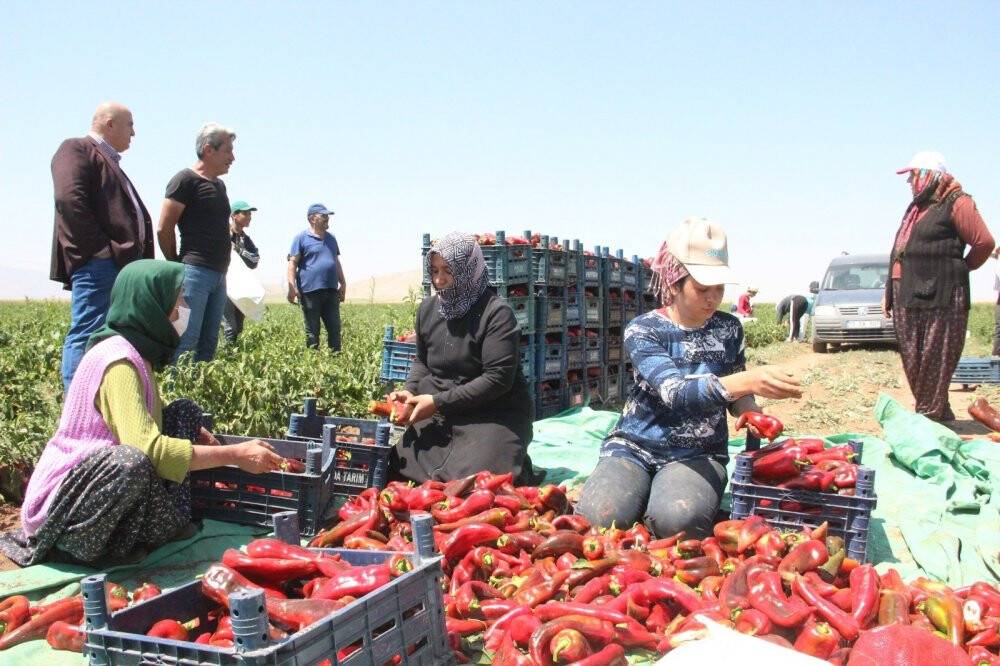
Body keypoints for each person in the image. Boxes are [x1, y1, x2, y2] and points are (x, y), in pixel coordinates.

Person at [0, 260, 284, 567]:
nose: (184, 309)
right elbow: (148, 450)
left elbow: (145, 417)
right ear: (151, 304)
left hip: (97, 485)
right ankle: (71, 548)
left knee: (184, 413)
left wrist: (196, 432)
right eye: (179, 300)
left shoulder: (136, 352)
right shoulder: (118, 362)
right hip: (64, 508)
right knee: (131, 460)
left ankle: (164, 523)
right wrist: (234, 454)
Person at [576, 218, 802, 539]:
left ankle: (655, 510)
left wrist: (749, 409)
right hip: (635, 447)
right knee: (599, 517)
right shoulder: (644, 330)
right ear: (674, 283)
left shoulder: (729, 329)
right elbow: (676, 393)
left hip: (699, 453)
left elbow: (736, 392)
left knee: (678, 521)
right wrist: (749, 381)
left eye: (719, 288)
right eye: (702, 289)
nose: (713, 298)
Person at [388, 232, 535, 483]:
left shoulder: (496, 314)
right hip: (441, 414)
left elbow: (497, 379)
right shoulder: (428, 310)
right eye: (434, 270)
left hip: (492, 413)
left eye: (449, 270)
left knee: (480, 480)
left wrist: (437, 402)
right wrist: (410, 391)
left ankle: (515, 459)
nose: (439, 279)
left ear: (469, 269)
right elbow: (423, 361)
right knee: (397, 466)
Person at [883, 151, 994, 422]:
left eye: (912, 175)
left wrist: (960, 268)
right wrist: (889, 292)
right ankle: (939, 412)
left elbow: (984, 243)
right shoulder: (917, 208)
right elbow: (900, 251)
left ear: (928, 175)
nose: (909, 181)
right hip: (908, 291)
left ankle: (928, 418)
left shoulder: (958, 202)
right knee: (914, 359)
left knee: (935, 357)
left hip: (943, 293)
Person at [51, 101, 153, 391]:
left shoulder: (110, 161)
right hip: (100, 263)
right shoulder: (76, 148)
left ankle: (100, 400)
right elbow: (70, 200)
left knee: (109, 338)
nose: (134, 132)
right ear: (110, 124)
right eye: (129, 124)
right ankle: (77, 404)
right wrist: (100, 250)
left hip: (117, 264)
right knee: (88, 332)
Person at [157, 123, 237, 363]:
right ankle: (176, 387)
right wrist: (177, 267)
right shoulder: (184, 180)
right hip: (193, 275)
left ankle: (198, 388)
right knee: (184, 339)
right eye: (228, 150)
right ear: (209, 150)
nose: (232, 158)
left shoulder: (219, 186)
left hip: (219, 276)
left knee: (208, 343)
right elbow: (164, 228)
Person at [287, 203, 347, 351]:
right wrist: (292, 287)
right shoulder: (301, 238)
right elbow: (292, 263)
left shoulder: (331, 238)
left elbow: (336, 261)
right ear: (312, 219)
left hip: (331, 290)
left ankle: (336, 359)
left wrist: (343, 283)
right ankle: (312, 360)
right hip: (310, 292)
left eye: (328, 216)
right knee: (312, 332)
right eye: (324, 216)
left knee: (335, 329)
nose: (327, 218)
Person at [221, 200, 260, 345]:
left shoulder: (245, 239)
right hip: (224, 285)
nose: (249, 217)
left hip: (240, 288)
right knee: (229, 327)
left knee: (238, 327)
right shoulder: (222, 234)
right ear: (234, 215)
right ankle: (227, 355)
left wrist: (238, 250)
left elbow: (255, 260)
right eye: (246, 213)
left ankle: (232, 354)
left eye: (250, 214)